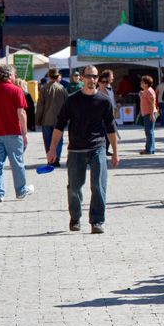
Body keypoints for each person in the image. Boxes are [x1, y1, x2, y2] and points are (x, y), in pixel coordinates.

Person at [47, 65, 117, 234]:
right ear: (82, 79)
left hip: (97, 147)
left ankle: (97, 221)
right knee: (74, 187)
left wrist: (115, 152)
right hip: (76, 149)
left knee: (99, 186)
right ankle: (75, 217)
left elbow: (111, 128)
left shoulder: (104, 101)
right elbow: (59, 125)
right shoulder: (72, 100)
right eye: (89, 76)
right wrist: (52, 149)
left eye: (95, 77)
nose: (92, 80)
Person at [0, 65, 33, 202]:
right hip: (13, 132)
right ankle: (21, 190)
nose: (15, 77)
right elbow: (21, 113)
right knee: (17, 162)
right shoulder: (17, 91)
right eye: (14, 74)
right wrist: (24, 132)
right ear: (10, 75)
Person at [36, 68, 68, 166]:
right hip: (59, 119)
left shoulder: (44, 88)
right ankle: (56, 158)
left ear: (49, 76)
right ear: (58, 76)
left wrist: (37, 119)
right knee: (58, 139)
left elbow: (40, 106)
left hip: (46, 119)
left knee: (48, 140)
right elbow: (67, 105)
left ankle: (50, 159)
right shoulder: (62, 89)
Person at [138, 75, 157, 154]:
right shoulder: (146, 91)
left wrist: (152, 114)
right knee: (149, 132)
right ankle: (150, 149)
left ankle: (149, 150)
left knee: (149, 132)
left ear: (146, 84)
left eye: (142, 82)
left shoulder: (149, 91)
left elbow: (152, 103)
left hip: (149, 113)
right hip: (147, 113)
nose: (140, 83)